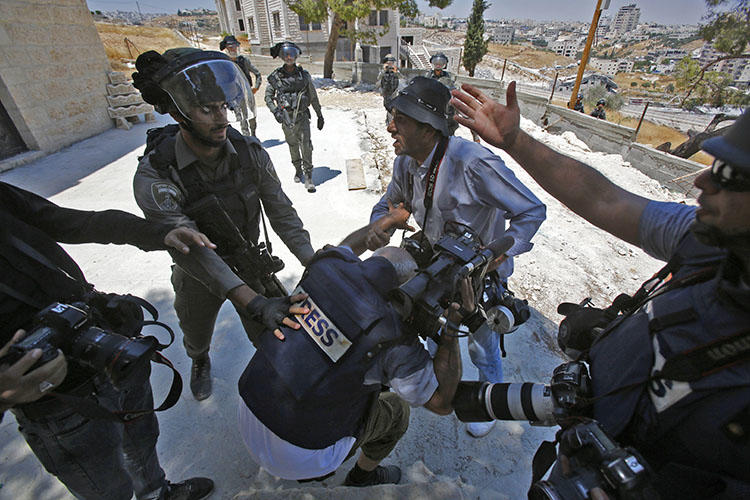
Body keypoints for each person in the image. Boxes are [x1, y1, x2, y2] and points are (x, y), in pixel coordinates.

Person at [450, 81, 750, 498]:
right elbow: (602, 198)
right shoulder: (704, 241)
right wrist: (515, 141)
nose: (703, 180)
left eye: (729, 174)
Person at [0, 181, 216, 500]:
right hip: (58, 403)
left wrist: (155, 232)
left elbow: (67, 221)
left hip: (112, 350)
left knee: (142, 442)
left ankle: (157, 493)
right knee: (107, 489)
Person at [238, 205, 470, 486]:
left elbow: (347, 246)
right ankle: (363, 475)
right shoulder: (390, 338)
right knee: (397, 411)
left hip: (248, 409)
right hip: (302, 456)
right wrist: (454, 325)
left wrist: (388, 221)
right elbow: (441, 403)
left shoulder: (325, 266)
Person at [367, 76, 546, 438]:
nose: (390, 127)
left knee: (481, 342)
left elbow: (532, 211)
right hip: (434, 264)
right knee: (434, 328)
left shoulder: (473, 163)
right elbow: (389, 203)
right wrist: (379, 225)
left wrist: (497, 251)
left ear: (428, 128)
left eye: (399, 119)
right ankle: (443, 381)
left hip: (477, 273)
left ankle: (487, 398)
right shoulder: (405, 161)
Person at [131, 48, 314, 401]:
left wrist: (313, 260)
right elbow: (193, 252)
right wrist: (254, 304)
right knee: (195, 333)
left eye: (223, 107)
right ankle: (200, 360)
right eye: (206, 109)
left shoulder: (249, 153)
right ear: (178, 111)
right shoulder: (156, 173)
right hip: (197, 272)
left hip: (249, 261)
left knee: (282, 338)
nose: (221, 119)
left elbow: (282, 213)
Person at [265, 41, 324, 193]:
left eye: (292, 54)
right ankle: (298, 169)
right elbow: (268, 97)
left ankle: (309, 176)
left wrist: (319, 115)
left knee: (306, 145)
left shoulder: (303, 76)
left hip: (302, 116)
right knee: (292, 145)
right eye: (286, 54)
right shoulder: (276, 77)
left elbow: (313, 96)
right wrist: (276, 111)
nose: (289, 57)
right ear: (281, 56)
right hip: (286, 118)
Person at [425, 52, 481, 143]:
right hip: (432, 100)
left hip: (446, 100)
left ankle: (475, 135)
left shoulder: (448, 76)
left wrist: (453, 91)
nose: (438, 65)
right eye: (436, 63)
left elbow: (453, 86)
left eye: (441, 63)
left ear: (444, 64)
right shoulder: (428, 75)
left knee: (462, 111)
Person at [220, 35, 262, 137]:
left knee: (252, 116)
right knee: (242, 117)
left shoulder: (243, 61)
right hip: (235, 94)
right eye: (230, 47)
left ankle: (253, 134)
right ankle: (246, 137)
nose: (233, 49)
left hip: (247, 92)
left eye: (234, 47)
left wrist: (255, 87)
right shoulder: (224, 63)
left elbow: (257, 74)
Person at [375, 54, 403, 125]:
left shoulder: (395, 69)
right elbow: (378, 78)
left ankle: (391, 121)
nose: (390, 64)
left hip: (394, 91)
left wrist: (396, 72)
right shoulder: (383, 70)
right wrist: (384, 70)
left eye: (391, 63)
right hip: (385, 91)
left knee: (393, 106)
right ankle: (388, 119)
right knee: (387, 105)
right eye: (389, 63)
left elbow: (401, 77)